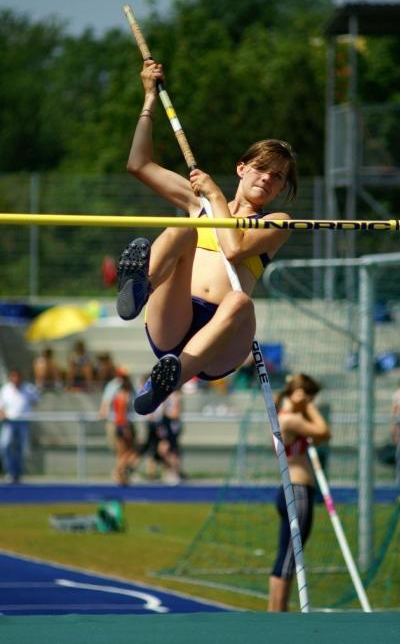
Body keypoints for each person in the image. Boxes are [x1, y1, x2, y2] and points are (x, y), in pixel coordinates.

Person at [116, 58, 298, 416]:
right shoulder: (198, 203)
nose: (266, 179)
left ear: (279, 190)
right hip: (173, 317)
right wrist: (149, 98)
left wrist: (216, 197)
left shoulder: (277, 221)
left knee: (240, 303)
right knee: (187, 225)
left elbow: (234, 249)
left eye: (277, 177)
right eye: (261, 169)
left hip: (222, 342)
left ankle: (165, 382)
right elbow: (138, 164)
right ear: (242, 168)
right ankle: (140, 287)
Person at [268, 373, 331, 612]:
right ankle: (279, 616)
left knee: (284, 558)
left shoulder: (283, 417)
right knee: (288, 561)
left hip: (289, 490)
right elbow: (324, 432)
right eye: (308, 395)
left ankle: (274, 613)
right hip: (298, 492)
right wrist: (310, 407)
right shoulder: (289, 419)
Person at [0, 370, 40, 483]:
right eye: (13, 377)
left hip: (23, 422)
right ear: (10, 378)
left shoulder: (29, 388)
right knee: (5, 446)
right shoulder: (5, 389)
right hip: (9, 422)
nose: (16, 380)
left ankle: (18, 474)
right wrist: (2, 413)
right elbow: (1, 406)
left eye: (18, 377)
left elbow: (36, 400)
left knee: (21, 449)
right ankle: (10, 472)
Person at [111, 373, 140, 485]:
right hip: (123, 425)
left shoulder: (121, 394)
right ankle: (118, 473)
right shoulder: (123, 395)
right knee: (127, 452)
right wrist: (125, 428)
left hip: (121, 424)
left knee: (125, 452)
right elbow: (122, 414)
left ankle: (121, 474)